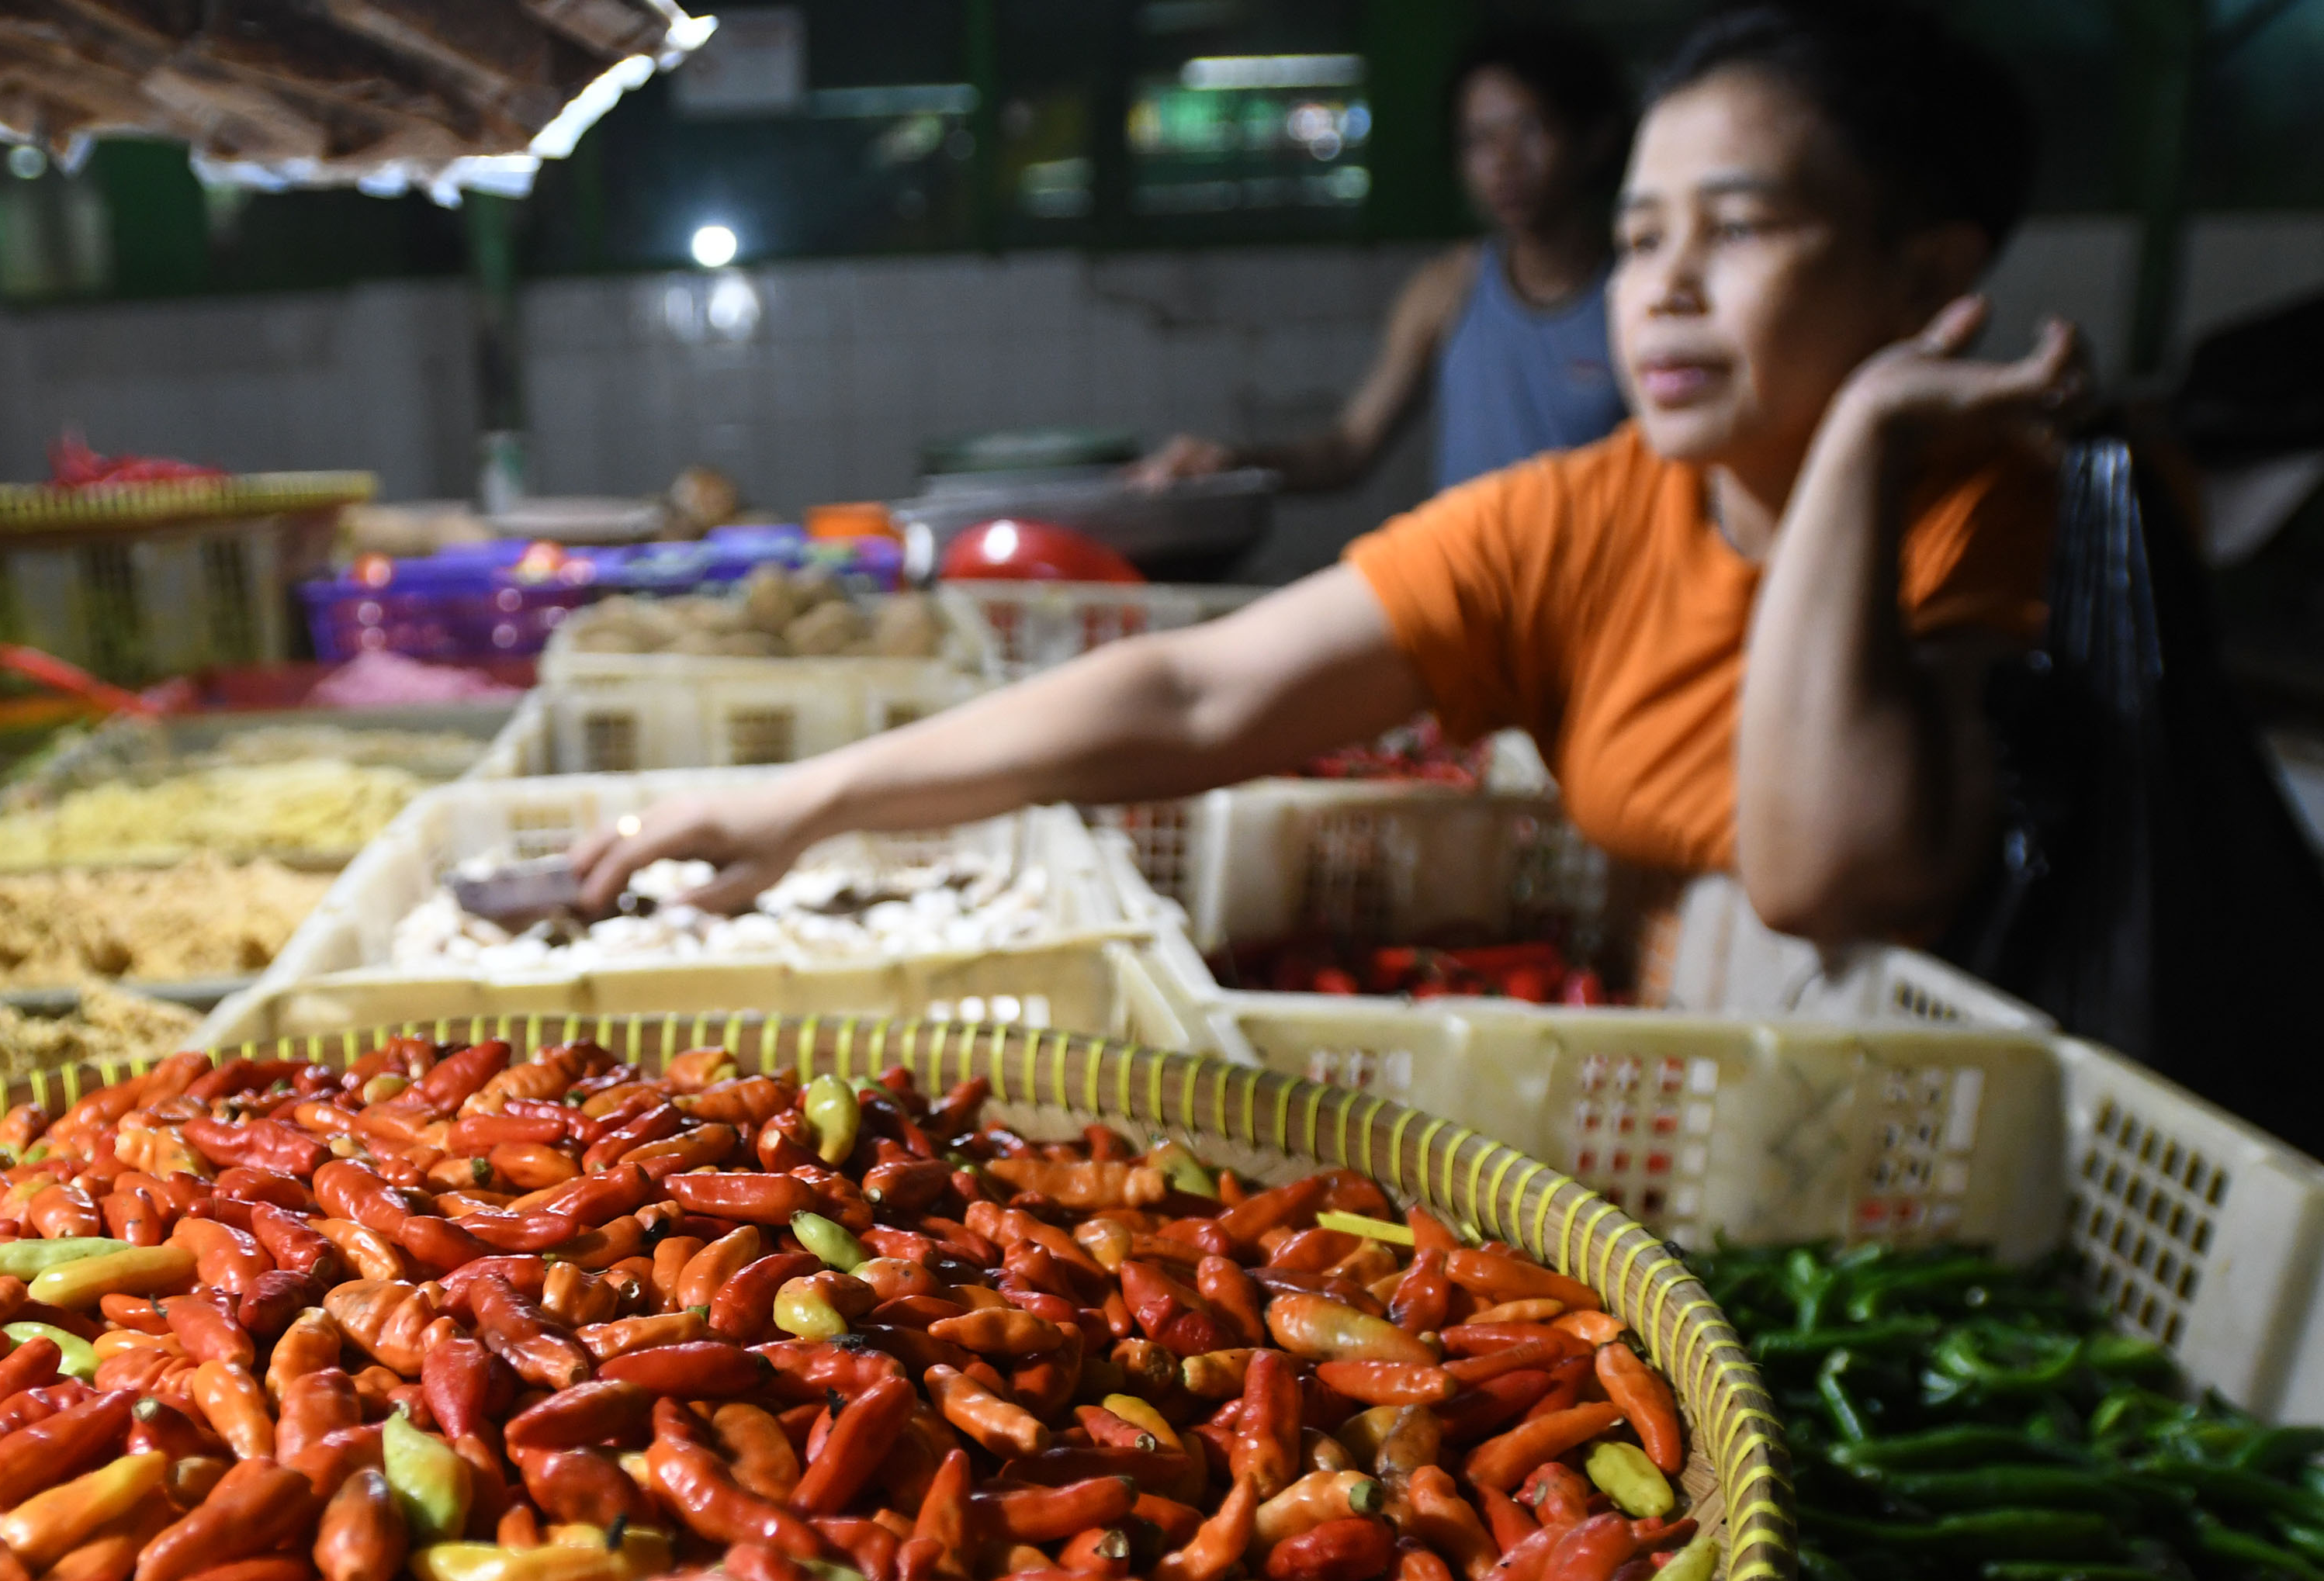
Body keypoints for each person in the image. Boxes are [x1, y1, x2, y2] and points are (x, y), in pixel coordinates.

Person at [580, 2, 2080, 951]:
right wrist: (809, 801)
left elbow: (1830, 877)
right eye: (1640, 239)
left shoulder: (1997, 508)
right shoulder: (1587, 514)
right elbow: (1196, 692)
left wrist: (1864, 446)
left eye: (1738, 229)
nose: (1665, 289)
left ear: (1928, 274)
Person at [1131, 22, 1630, 497]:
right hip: (1470, 565)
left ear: (1595, 139)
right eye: (1479, 139)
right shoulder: (1446, 289)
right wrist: (1233, 463)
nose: (1503, 161)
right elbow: (1348, 448)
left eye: (1530, 129)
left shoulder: (1634, 296)